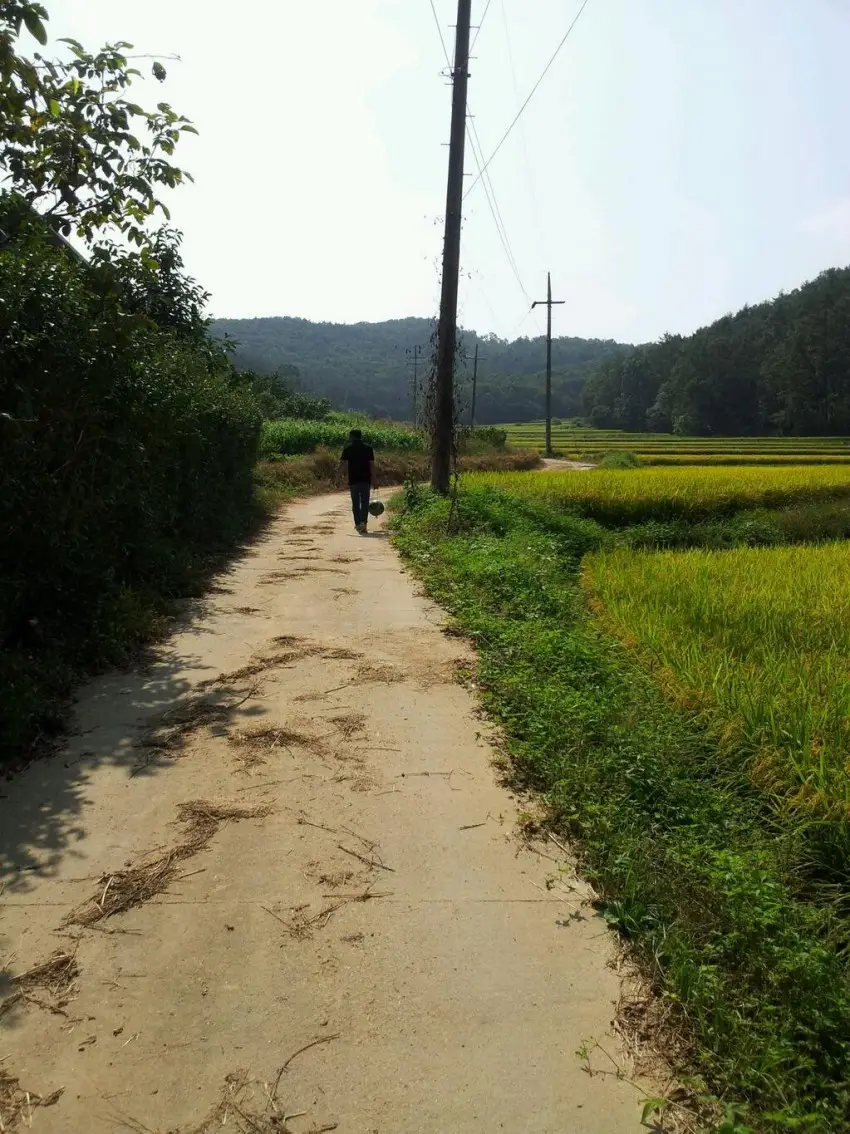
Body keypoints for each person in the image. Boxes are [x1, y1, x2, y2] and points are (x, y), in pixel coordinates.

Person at [339, 429, 376, 533]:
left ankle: (358, 524)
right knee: (365, 502)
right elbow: (372, 465)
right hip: (365, 480)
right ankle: (363, 523)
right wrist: (375, 480)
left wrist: (337, 477)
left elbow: (342, 465)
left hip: (353, 480)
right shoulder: (368, 448)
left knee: (355, 503)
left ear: (352, 437)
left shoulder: (348, 449)